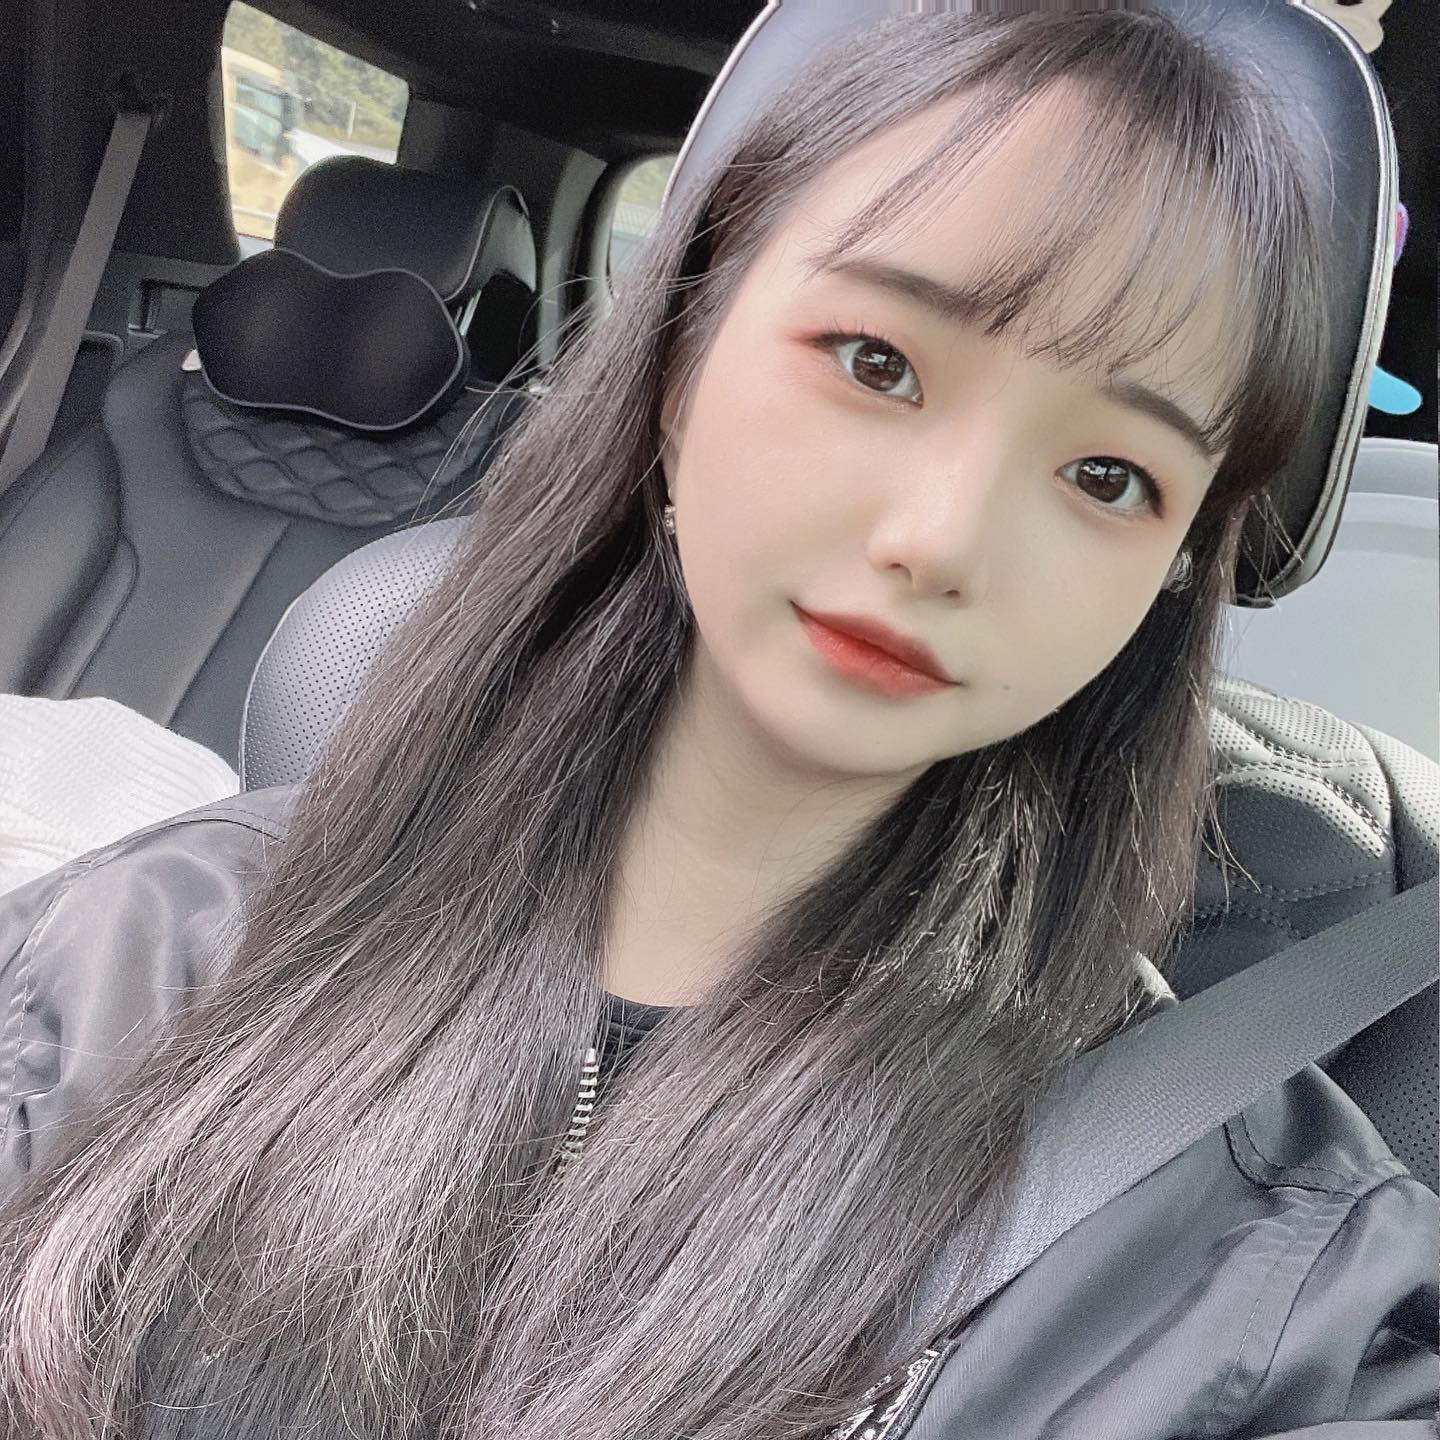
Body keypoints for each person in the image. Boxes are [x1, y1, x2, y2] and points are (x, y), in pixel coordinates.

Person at [0, 9, 1433, 1439]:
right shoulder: (145, 957)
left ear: (1173, 569)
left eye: (1110, 478)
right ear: (680, 365)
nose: (941, 540)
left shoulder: (1258, 1283)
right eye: (877, 362)